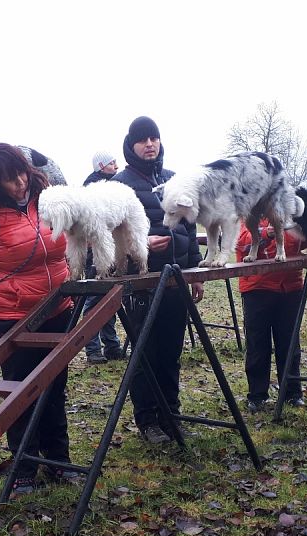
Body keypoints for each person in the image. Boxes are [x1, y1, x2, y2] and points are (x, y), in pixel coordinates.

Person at [0, 143, 74, 495]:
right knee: (21, 395)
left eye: (22, 174)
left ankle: (59, 461)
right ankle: (24, 468)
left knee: (55, 389)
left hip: (58, 309)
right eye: (10, 179)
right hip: (13, 317)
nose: (20, 183)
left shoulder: (49, 197)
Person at [111, 116, 204, 444]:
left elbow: (190, 227)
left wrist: (195, 273)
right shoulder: (119, 186)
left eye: (154, 138)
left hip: (177, 279)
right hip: (142, 282)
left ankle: (171, 413)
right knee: (145, 353)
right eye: (142, 139)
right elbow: (108, 236)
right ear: (131, 145)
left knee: (171, 351)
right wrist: (141, 245)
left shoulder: (174, 179)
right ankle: (147, 420)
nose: (150, 144)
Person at [235, 220, 306, 414]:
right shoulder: (251, 213)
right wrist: (267, 233)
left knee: (290, 342)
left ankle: (292, 392)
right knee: (258, 344)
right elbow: (241, 242)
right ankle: (257, 395)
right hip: (257, 287)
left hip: (290, 287)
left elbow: (306, 244)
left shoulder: (293, 214)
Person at [81, 150, 123, 365]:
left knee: (109, 299)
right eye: (111, 162)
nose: (116, 165)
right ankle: (93, 348)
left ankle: (112, 345)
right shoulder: (93, 189)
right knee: (95, 299)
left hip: (110, 249)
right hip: (96, 253)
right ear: (100, 165)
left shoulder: (113, 186)